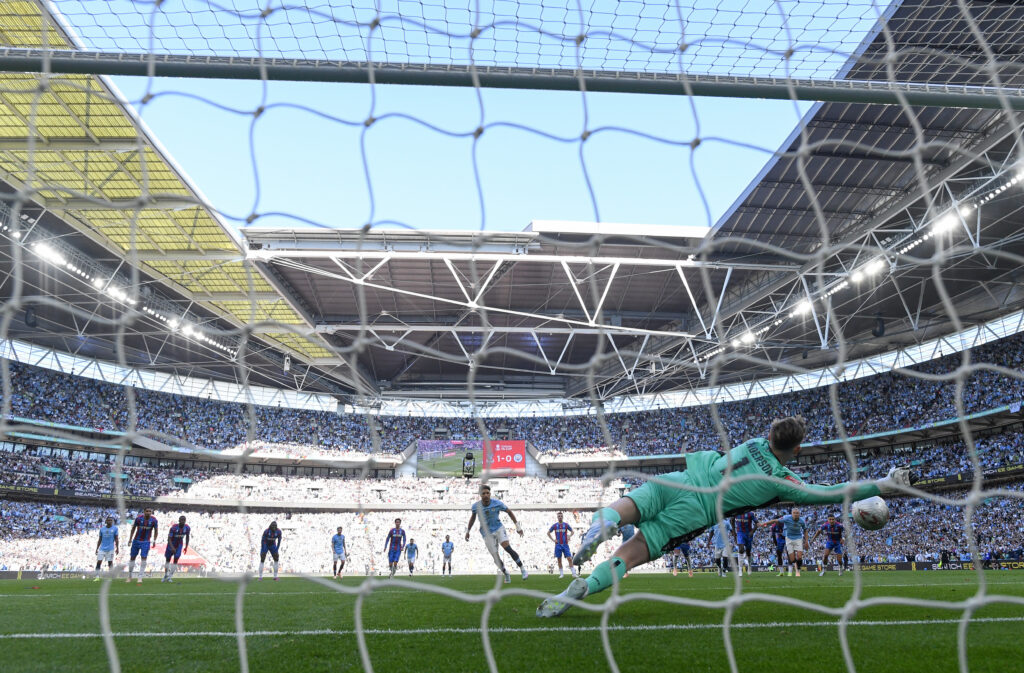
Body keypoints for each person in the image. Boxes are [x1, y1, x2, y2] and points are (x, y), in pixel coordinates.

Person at [536, 416, 911, 617]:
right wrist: (882, 484)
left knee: (627, 507)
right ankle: (587, 586)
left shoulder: (753, 444)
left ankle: (601, 524)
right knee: (632, 553)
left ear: (770, 435)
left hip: (679, 479)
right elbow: (831, 493)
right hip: (696, 510)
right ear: (796, 449)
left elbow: (775, 446)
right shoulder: (782, 481)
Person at [466, 484, 528, 583]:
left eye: (487, 493)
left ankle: (522, 569)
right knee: (495, 557)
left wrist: (518, 527)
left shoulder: (497, 503)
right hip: (486, 533)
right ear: (480, 495)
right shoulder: (476, 506)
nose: (486, 495)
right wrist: (468, 531)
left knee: (507, 548)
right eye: (483, 493)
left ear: (490, 494)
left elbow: (509, 512)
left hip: (498, 528)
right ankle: (506, 574)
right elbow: (472, 518)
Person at [762, 508, 809, 577]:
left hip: (790, 537)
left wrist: (806, 541)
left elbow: (804, 530)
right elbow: (773, 536)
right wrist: (776, 544)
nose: (778, 522)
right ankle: (781, 571)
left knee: (792, 555)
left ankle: (791, 572)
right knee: (779, 552)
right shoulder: (774, 526)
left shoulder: (786, 521)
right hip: (781, 538)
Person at [127, 508, 158, 584]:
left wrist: (154, 540)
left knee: (143, 559)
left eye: (150, 511)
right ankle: (130, 576)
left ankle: (140, 577)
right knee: (132, 558)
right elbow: (133, 529)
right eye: (147, 511)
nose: (148, 512)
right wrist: (130, 539)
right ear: (144, 512)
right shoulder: (138, 519)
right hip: (136, 541)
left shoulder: (154, 520)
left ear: (151, 512)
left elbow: (156, 531)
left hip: (146, 542)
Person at [162, 515, 190, 583]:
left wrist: (186, 546)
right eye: (181, 520)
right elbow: (169, 539)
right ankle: (165, 575)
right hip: (171, 544)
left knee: (176, 560)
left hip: (179, 545)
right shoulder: (174, 528)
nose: (182, 521)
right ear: (179, 520)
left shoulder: (187, 528)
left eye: (184, 520)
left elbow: (187, 537)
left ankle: (170, 577)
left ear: (185, 521)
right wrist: (172, 547)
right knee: (167, 560)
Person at [547, 512, 576, 579]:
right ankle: (561, 574)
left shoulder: (566, 525)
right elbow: (548, 533)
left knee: (569, 559)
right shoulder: (555, 525)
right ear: (557, 517)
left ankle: (574, 573)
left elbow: (572, 531)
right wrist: (553, 540)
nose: (560, 517)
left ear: (562, 517)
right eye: (559, 516)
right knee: (559, 560)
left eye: (561, 516)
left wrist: (569, 536)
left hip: (565, 545)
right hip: (558, 545)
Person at [731, 511, 757, 575]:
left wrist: (752, 531)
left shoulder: (750, 514)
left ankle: (749, 566)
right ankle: (740, 569)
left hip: (748, 534)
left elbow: (757, 523)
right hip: (740, 533)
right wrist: (734, 532)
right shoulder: (736, 513)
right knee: (741, 549)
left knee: (748, 552)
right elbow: (731, 521)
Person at [93, 517, 118, 581]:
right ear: (106, 521)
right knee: (99, 562)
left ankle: (110, 576)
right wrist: (97, 548)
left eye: (111, 520)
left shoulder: (115, 528)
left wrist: (117, 548)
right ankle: (97, 576)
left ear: (112, 521)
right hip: (102, 548)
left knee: (110, 562)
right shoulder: (102, 529)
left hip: (110, 548)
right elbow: (100, 539)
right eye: (108, 520)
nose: (109, 521)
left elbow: (116, 539)